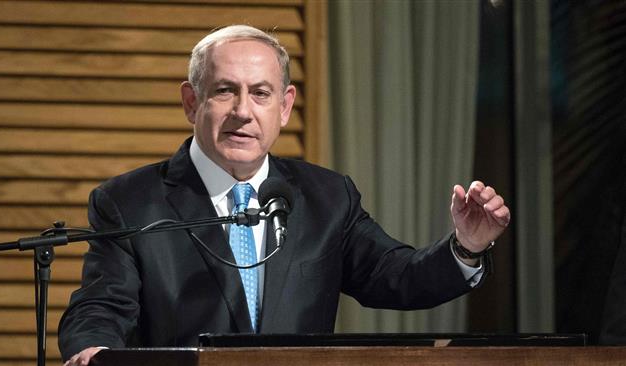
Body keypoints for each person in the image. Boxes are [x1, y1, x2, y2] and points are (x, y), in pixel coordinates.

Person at [58, 25, 510, 365]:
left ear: (285, 106)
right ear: (192, 102)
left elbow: (396, 276)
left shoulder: (327, 197)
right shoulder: (131, 201)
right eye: (224, 91)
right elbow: (102, 305)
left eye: (260, 93)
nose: (242, 112)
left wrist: (466, 247)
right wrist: (94, 351)